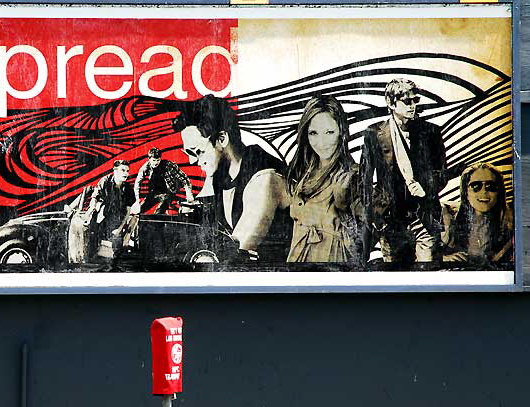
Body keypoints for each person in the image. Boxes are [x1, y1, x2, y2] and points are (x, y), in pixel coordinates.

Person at [177, 94, 291, 262]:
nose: (191, 160)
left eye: (197, 151)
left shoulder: (265, 179)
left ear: (222, 139)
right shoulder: (221, 173)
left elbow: (237, 250)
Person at [360, 78, 448, 266]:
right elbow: (364, 179)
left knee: (427, 272)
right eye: (406, 101)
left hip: (424, 216)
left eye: (415, 100)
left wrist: (425, 187)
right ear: (391, 103)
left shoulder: (430, 132)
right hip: (390, 221)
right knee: (395, 275)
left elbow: (442, 173)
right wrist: (373, 216)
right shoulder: (374, 134)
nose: (412, 106)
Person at [286, 95, 361, 264]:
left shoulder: (351, 176)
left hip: (331, 262)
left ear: (341, 131)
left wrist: (343, 208)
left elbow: (364, 243)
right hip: (298, 260)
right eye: (314, 133)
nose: (321, 142)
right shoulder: (302, 172)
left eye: (329, 132)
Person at [442, 162, 513, 265]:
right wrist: (444, 259)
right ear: (465, 192)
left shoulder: (512, 225)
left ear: (499, 192)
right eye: (476, 186)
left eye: (491, 186)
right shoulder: (447, 217)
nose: (484, 192)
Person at [133, 147, 195, 214]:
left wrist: (189, 193)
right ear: (149, 159)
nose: (156, 163)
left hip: (168, 193)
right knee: (139, 210)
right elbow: (137, 183)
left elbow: (184, 178)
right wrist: (136, 200)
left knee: (159, 212)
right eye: (154, 160)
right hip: (153, 193)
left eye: (158, 160)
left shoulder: (168, 165)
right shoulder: (145, 168)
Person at [88, 159, 135, 241]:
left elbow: (128, 212)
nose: (126, 173)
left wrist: (119, 229)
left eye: (127, 171)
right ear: (115, 171)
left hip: (117, 221)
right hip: (101, 218)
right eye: (123, 170)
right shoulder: (105, 182)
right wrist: (92, 209)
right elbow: (94, 197)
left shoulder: (128, 188)